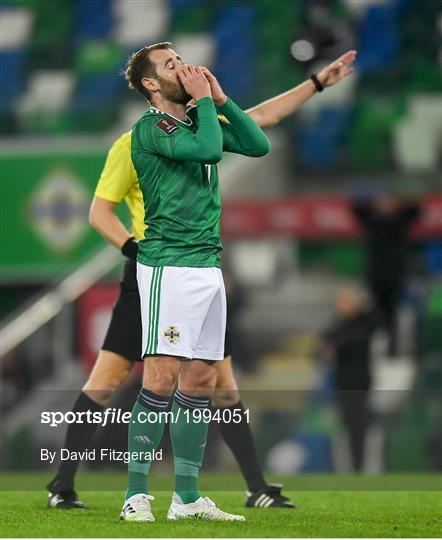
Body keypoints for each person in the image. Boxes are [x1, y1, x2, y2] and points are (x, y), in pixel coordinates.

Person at [46, 44, 356, 515]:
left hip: (206, 265)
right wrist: (135, 250)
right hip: (161, 265)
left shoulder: (198, 120)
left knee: (207, 379)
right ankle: (115, 491)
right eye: (171, 64)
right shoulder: (144, 134)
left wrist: (227, 97)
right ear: (151, 84)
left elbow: (258, 137)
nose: (185, 67)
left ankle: (194, 496)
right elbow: (108, 207)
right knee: (144, 377)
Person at [351, 194, 421, 355]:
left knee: (394, 312)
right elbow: (356, 209)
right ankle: (372, 345)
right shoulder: (371, 220)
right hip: (375, 274)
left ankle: (392, 348)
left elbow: (416, 209)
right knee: (375, 312)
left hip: (395, 275)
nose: (385, 205)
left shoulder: (400, 220)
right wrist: (374, 202)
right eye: (382, 202)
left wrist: (398, 202)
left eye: (389, 202)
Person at [321, 288, 378, 471]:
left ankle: (358, 467)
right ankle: (340, 467)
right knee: (343, 428)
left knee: (358, 429)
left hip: (360, 384)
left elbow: (372, 324)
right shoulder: (336, 326)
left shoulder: (363, 324)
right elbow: (321, 349)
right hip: (342, 385)